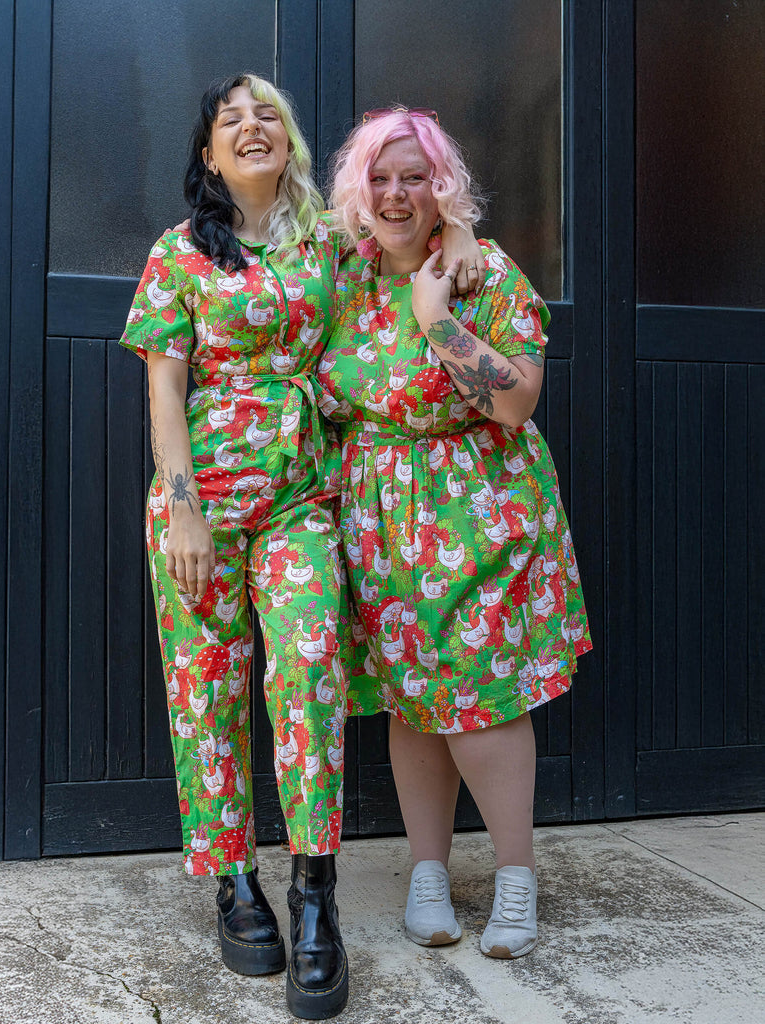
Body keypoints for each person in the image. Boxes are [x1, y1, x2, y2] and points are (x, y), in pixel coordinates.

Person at [320, 107, 592, 959]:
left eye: (416, 176)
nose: (397, 193)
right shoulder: (342, 275)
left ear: (444, 187)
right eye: (381, 177)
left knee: (481, 693)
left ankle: (515, 881)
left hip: (478, 510)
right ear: (358, 190)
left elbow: (513, 402)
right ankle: (428, 875)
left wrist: (438, 319)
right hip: (379, 521)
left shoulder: (483, 276)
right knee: (412, 698)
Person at [120, 73, 350, 1019]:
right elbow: (164, 391)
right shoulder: (178, 255)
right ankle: (233, 882)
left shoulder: (332, 245)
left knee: (306, 667)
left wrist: (458, 248)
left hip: (303, 494)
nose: (250, 129)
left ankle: (314, 891)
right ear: (210, 157)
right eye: (229, 121)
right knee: (207, 687)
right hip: (202, 502)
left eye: (267, 116)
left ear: (289, 142)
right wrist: (181, 511)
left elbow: (423, 226)